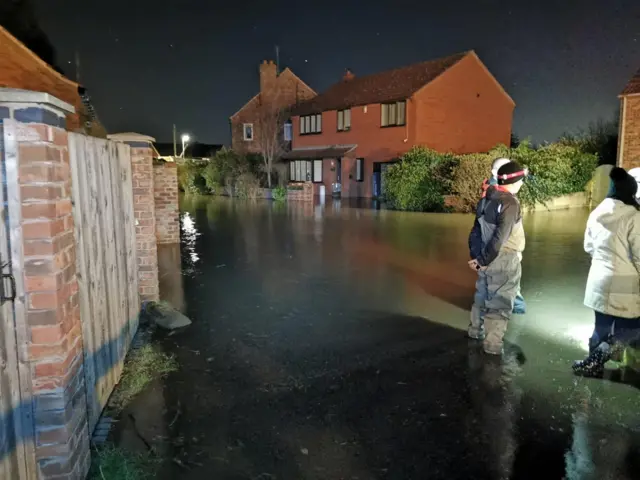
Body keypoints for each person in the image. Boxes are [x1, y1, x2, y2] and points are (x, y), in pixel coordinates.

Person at [573, 167, 640, 377]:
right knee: (631, 328)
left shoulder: (597, 212)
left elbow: (588, 247)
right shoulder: (633, 217)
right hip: (625, 282)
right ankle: (600, 357)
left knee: (600, 326)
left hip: (598, 280)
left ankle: (593, 365)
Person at [468, 161, 528, 355]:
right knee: (500, 303)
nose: (522, 184)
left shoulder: (486, 198)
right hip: (503, 260)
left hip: (485, 256)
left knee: (482, 296)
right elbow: (500, 237)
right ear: (514, 181)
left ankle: (475, 331)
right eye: (521, 180)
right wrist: (483, 259)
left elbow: (476, 231)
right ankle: (492, 347)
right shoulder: (510, 203)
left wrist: (477, 257)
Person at [481, 158, 527, 315]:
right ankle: (492, 337)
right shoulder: (508, 201)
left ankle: (478, 329)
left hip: (492, 252)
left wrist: (480, 256)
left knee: (486, 291)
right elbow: (501, 234)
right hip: (504, 255)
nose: (522, 183)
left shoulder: (490, 195)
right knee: (501, 300)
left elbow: (480, 228)